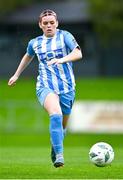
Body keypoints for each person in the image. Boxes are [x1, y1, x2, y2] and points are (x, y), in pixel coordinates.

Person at [8, 9, 82, 168]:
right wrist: (16, 74)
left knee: (62, 127)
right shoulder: (35, 42)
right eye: (45, 23)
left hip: (67, 87)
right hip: (45, 86)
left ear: (57, 23)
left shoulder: (65, 36)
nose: (49, 25)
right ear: (40, 25)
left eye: (52, 23)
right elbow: (28, 55)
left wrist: (61, 60)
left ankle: (55, 146)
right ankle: (60, 156)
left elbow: (78, 53)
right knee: (55, 114)